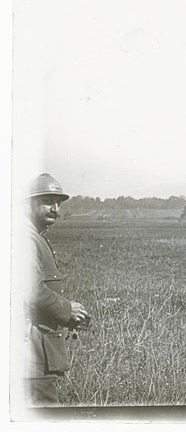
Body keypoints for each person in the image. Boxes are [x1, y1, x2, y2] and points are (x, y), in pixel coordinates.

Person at [26, 173, 90, 405]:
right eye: (47, 201)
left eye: (58, 202)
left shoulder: (34, 237)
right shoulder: (24, 238)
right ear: (28, 204)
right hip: (32, 354)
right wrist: (66, 310)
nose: (55, 208)